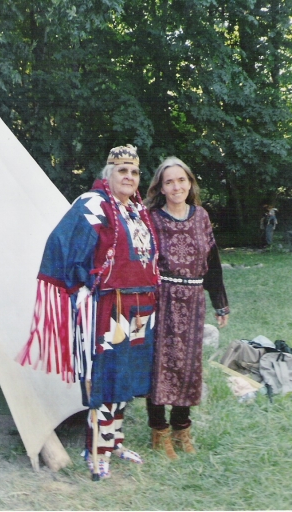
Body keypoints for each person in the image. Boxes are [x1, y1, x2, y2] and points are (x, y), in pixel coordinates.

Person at [18, 145, 160, 479]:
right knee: (107, 376)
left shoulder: (138, 210)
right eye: (121, 170)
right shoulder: (93, 204)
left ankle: (115, 443)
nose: (128, 176)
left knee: (128, 376)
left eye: (134, 172)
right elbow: (61, 243)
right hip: (110, 308)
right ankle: (96, 449)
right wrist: (83, 287)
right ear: (107, 174)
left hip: (141, 307)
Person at [144, 156, 229, 459]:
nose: (176, 186)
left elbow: (213, 262)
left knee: (187, 367)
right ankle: (159, 432)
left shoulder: (202, 216)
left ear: (190, 183)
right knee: (160, 366)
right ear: (161, 187)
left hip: (192, 302)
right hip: (161, 300)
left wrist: (220, 304)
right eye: (169, 181)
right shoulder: (151, 218)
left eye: (182, 180)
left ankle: (182, 429)